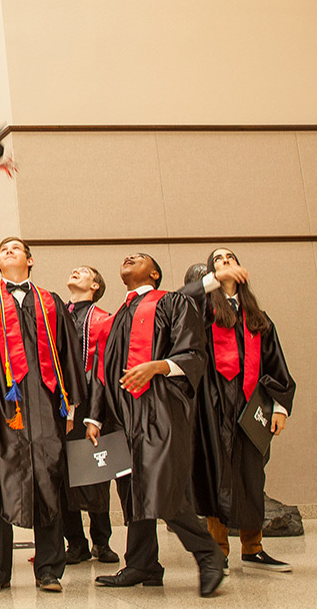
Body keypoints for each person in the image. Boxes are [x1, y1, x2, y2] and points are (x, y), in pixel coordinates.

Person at [86, 253, 225, 597]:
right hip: (122, 414)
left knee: (162, 488)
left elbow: (192, 352)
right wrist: (94, 416)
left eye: (140, 257)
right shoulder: (116, 317)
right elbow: (103, 370)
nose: (129, 257)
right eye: (126, 257)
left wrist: (157, 366)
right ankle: (142, 563)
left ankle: (208, 556)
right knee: (133, 490)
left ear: (155, 272)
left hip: (160, 407)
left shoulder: (173, 302)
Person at [0, 237, 85, 593]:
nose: (9, 252)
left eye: (16, 248)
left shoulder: (51, 302)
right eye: (3, 251)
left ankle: (48, 570)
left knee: (48, 481)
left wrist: (70, 406)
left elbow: (68, 355)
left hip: (46, 407)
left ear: (30, 260)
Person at [182, 248, 296, 572]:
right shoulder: (202, 311)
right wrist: (213, 281)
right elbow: (178, 301)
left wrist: (279, 408)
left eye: (229, 258)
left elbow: (276, 365)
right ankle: (218, 551)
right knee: (215, 474)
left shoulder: (258, 319)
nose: (224, 262)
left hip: (249, 409)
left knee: (251, 477)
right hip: (212, 408)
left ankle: (253, 548)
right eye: (217, 260)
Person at [61, 266, 119, 565]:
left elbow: (105, 367)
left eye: (84, 272)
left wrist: (93, 413)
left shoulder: (105, 320)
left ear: (95, 286)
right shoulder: (55, 314)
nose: (76, 272)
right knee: (63, 477)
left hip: (91, 402)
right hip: (60, 404)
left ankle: (101, 541)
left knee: (97, 473)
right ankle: (76, 543)